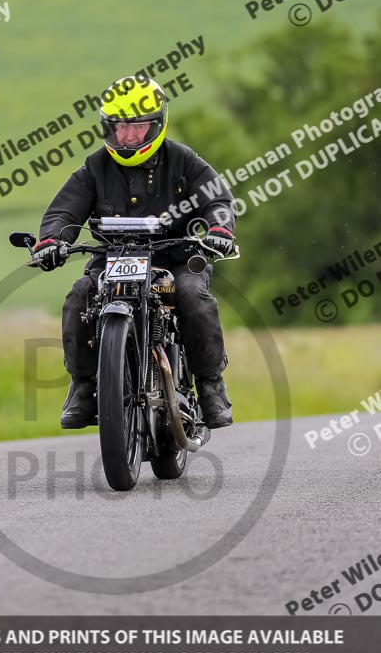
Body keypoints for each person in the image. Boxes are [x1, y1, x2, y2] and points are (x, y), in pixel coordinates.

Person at [32, 75, 237, 430]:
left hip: (175, 257)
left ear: (156, 124)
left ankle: (209, 386)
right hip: (113, 258)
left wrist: (219, 230)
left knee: (192, 295)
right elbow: (63, 212)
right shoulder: (95, 167)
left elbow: (218, 199)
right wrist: (50, 241)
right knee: (80, 296)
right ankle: (83, 387)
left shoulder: (183, 160)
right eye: (119, 127)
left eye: (137, 127)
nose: (127, 137)